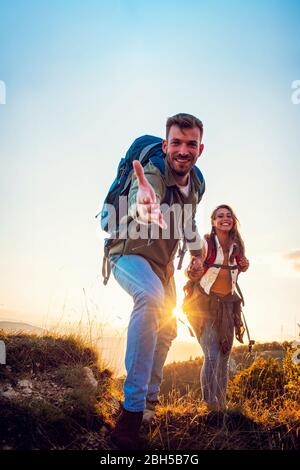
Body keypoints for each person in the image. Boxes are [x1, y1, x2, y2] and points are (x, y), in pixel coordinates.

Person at [108, 113, 206, 449]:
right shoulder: (152, 170)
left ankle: (148, 407)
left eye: (190, 144)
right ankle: (129, 419)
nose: (182, 150)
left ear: (199, 149)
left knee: (167, 329)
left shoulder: (198, 185)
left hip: (161, 266)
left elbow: (187, 223)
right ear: (165, 146)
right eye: (176, 143)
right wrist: (141, 203)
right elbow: (141, 192)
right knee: (150, 299)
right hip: (126, 252)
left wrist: (196, 257)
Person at [183, 204, 249, 411]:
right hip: (203, 304)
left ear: (233, 221)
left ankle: (221, 405)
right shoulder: (205, 243)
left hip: (228, 305)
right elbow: (191, 270)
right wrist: (193, 269)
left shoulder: (237, 246)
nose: (224, 219)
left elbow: (238, 268)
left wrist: (245, 265)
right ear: (213, 222)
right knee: (211, 354)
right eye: (219, 216)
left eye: (229, 215)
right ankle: (209, 405)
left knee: (224, 355)